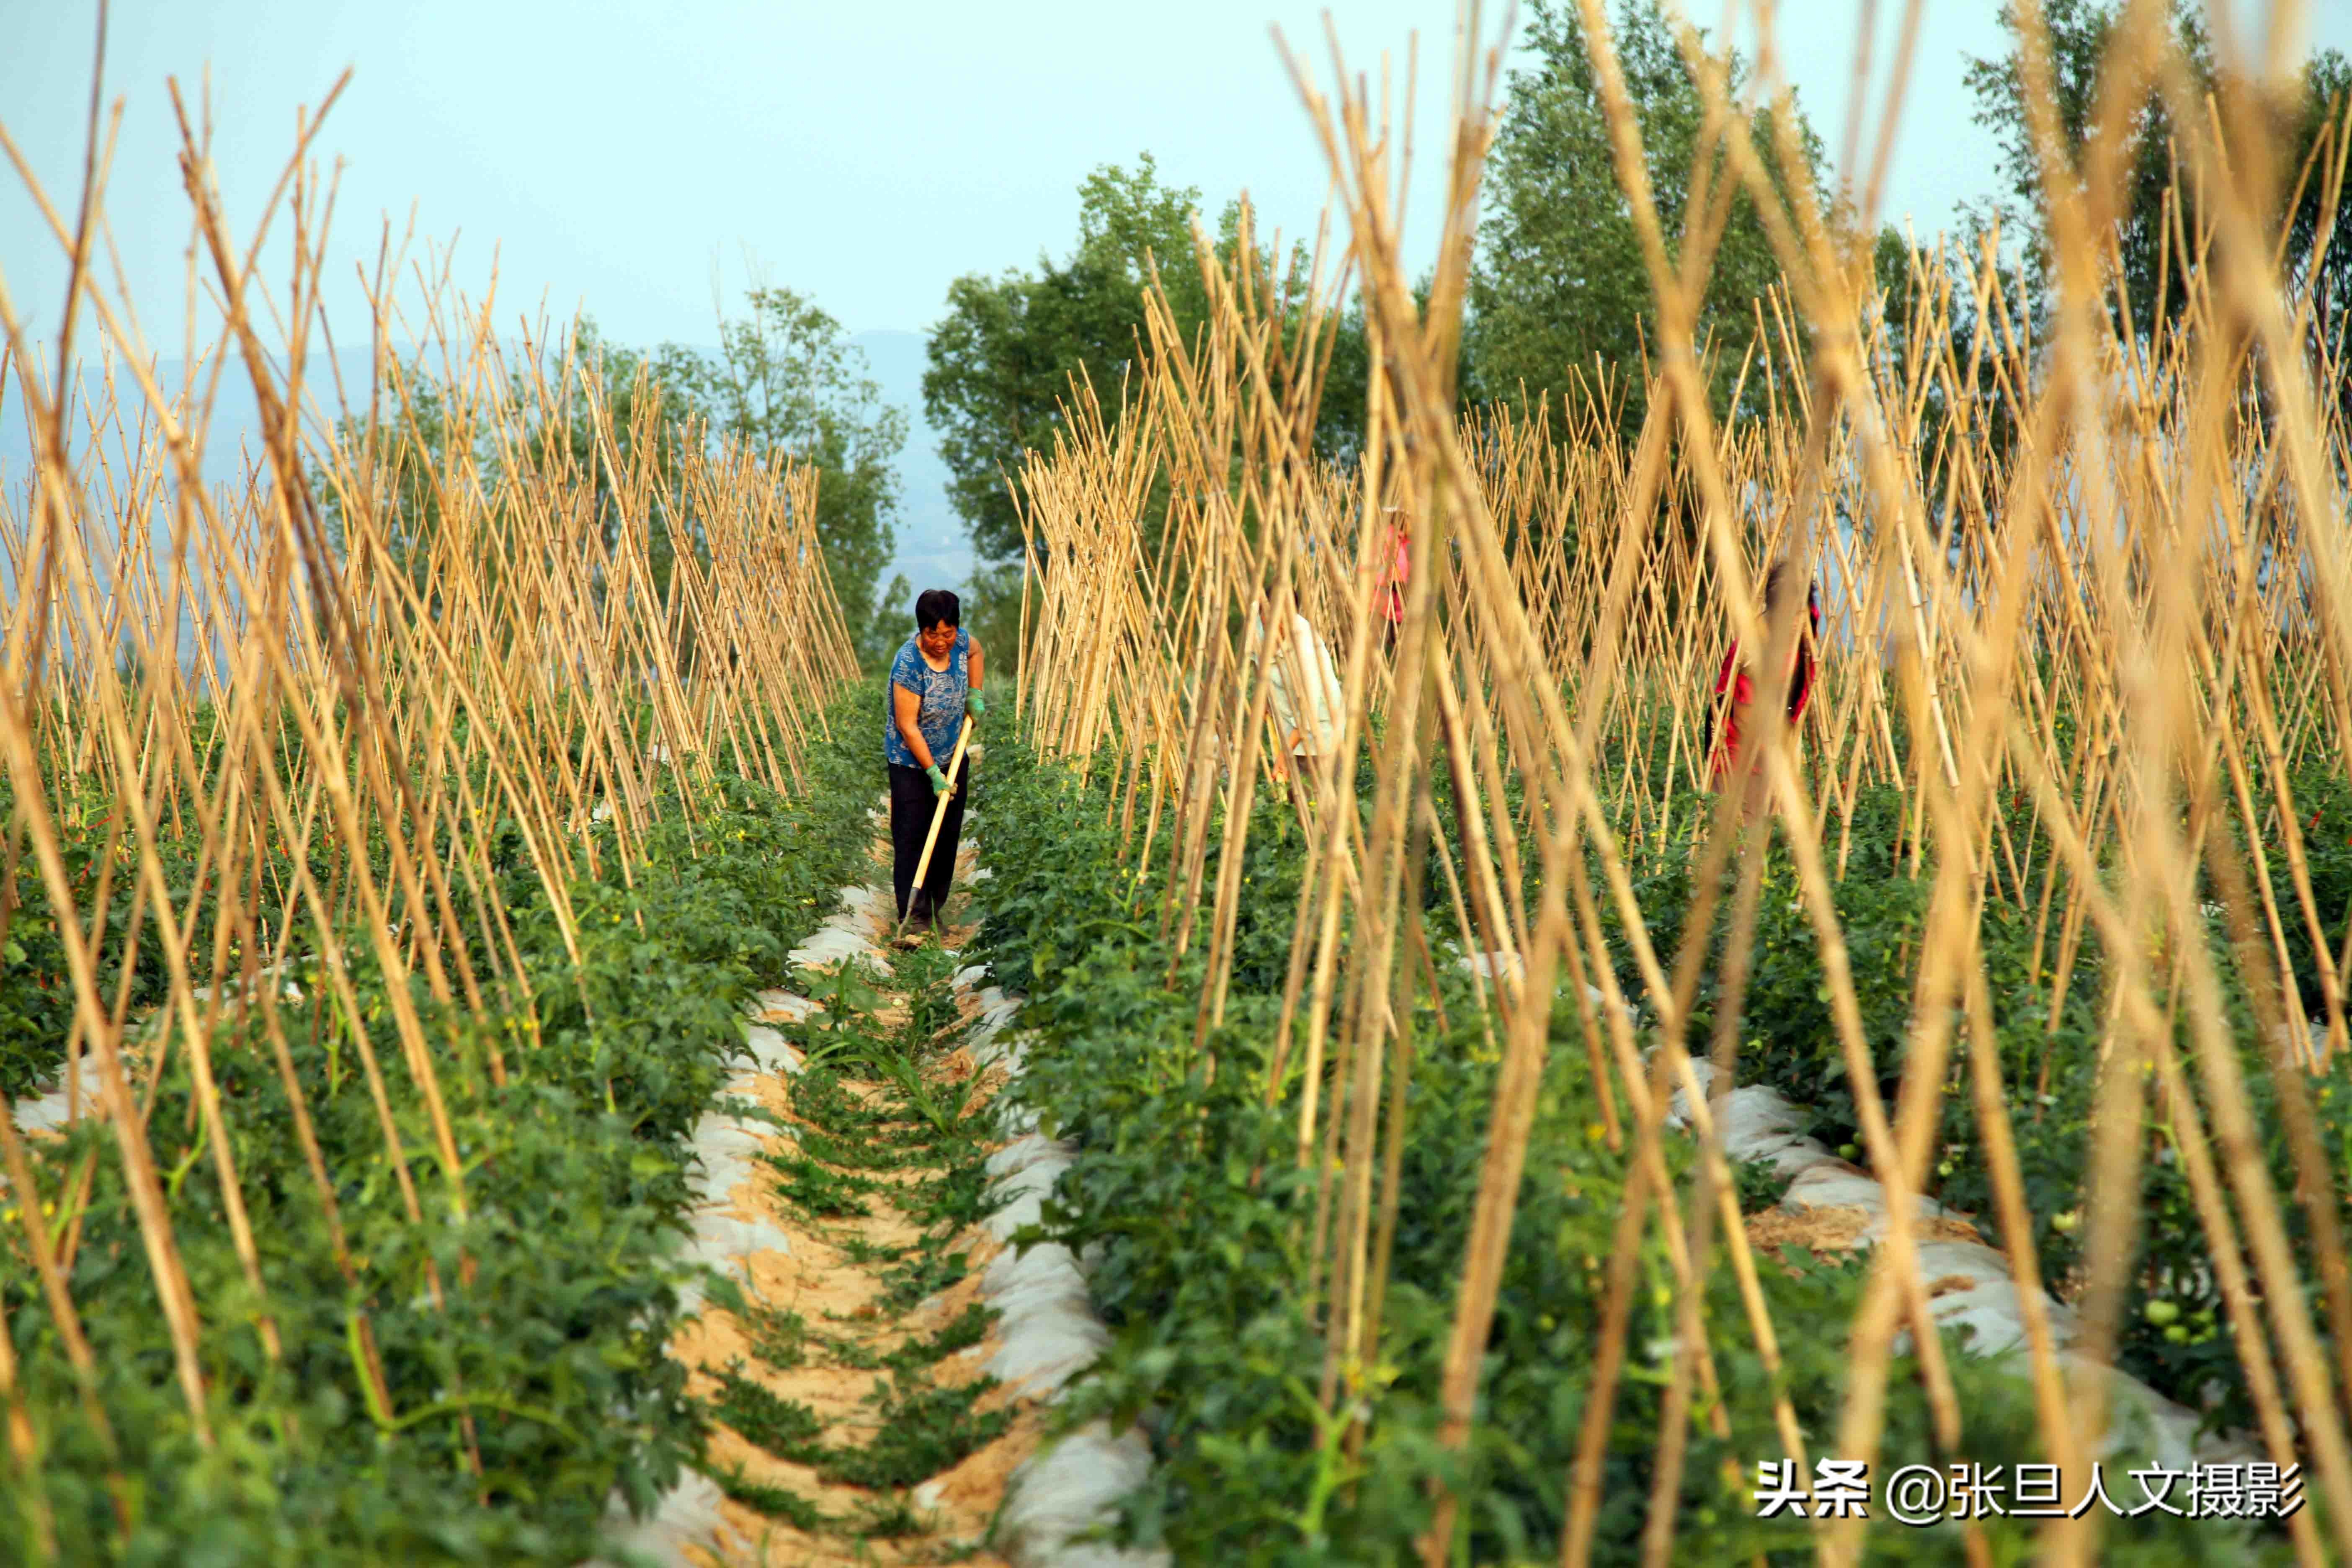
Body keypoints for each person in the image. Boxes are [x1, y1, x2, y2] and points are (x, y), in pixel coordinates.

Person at [886, 588, 984, 941]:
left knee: (945, 837)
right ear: (921, 630)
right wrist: (932, 774)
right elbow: (907, 725)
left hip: (953, 754)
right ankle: (913, 918)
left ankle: (935, 912)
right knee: (913, 837)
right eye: (933, 634)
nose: (942, 641)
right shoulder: (909, 663)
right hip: (911, 764)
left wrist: (975, 692)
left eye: (948, 633)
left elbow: (977, 651)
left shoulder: (961, 644)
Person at [1707, 563, 1820, 789]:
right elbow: (1742, 720)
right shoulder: (1752, 653)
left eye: (1802, 610)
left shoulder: (1803, 641)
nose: (1798, 619)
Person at [1253, 606, 1345, 792]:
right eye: (1265, 620)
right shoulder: (1258, 626)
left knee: (1322, 799)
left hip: (1321, 728)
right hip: (1289, 724)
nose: (1268, 627)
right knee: (1296, 796)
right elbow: (1256, 658)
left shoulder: (1305, 647)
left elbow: (1307, 714)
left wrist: (1284, 755)